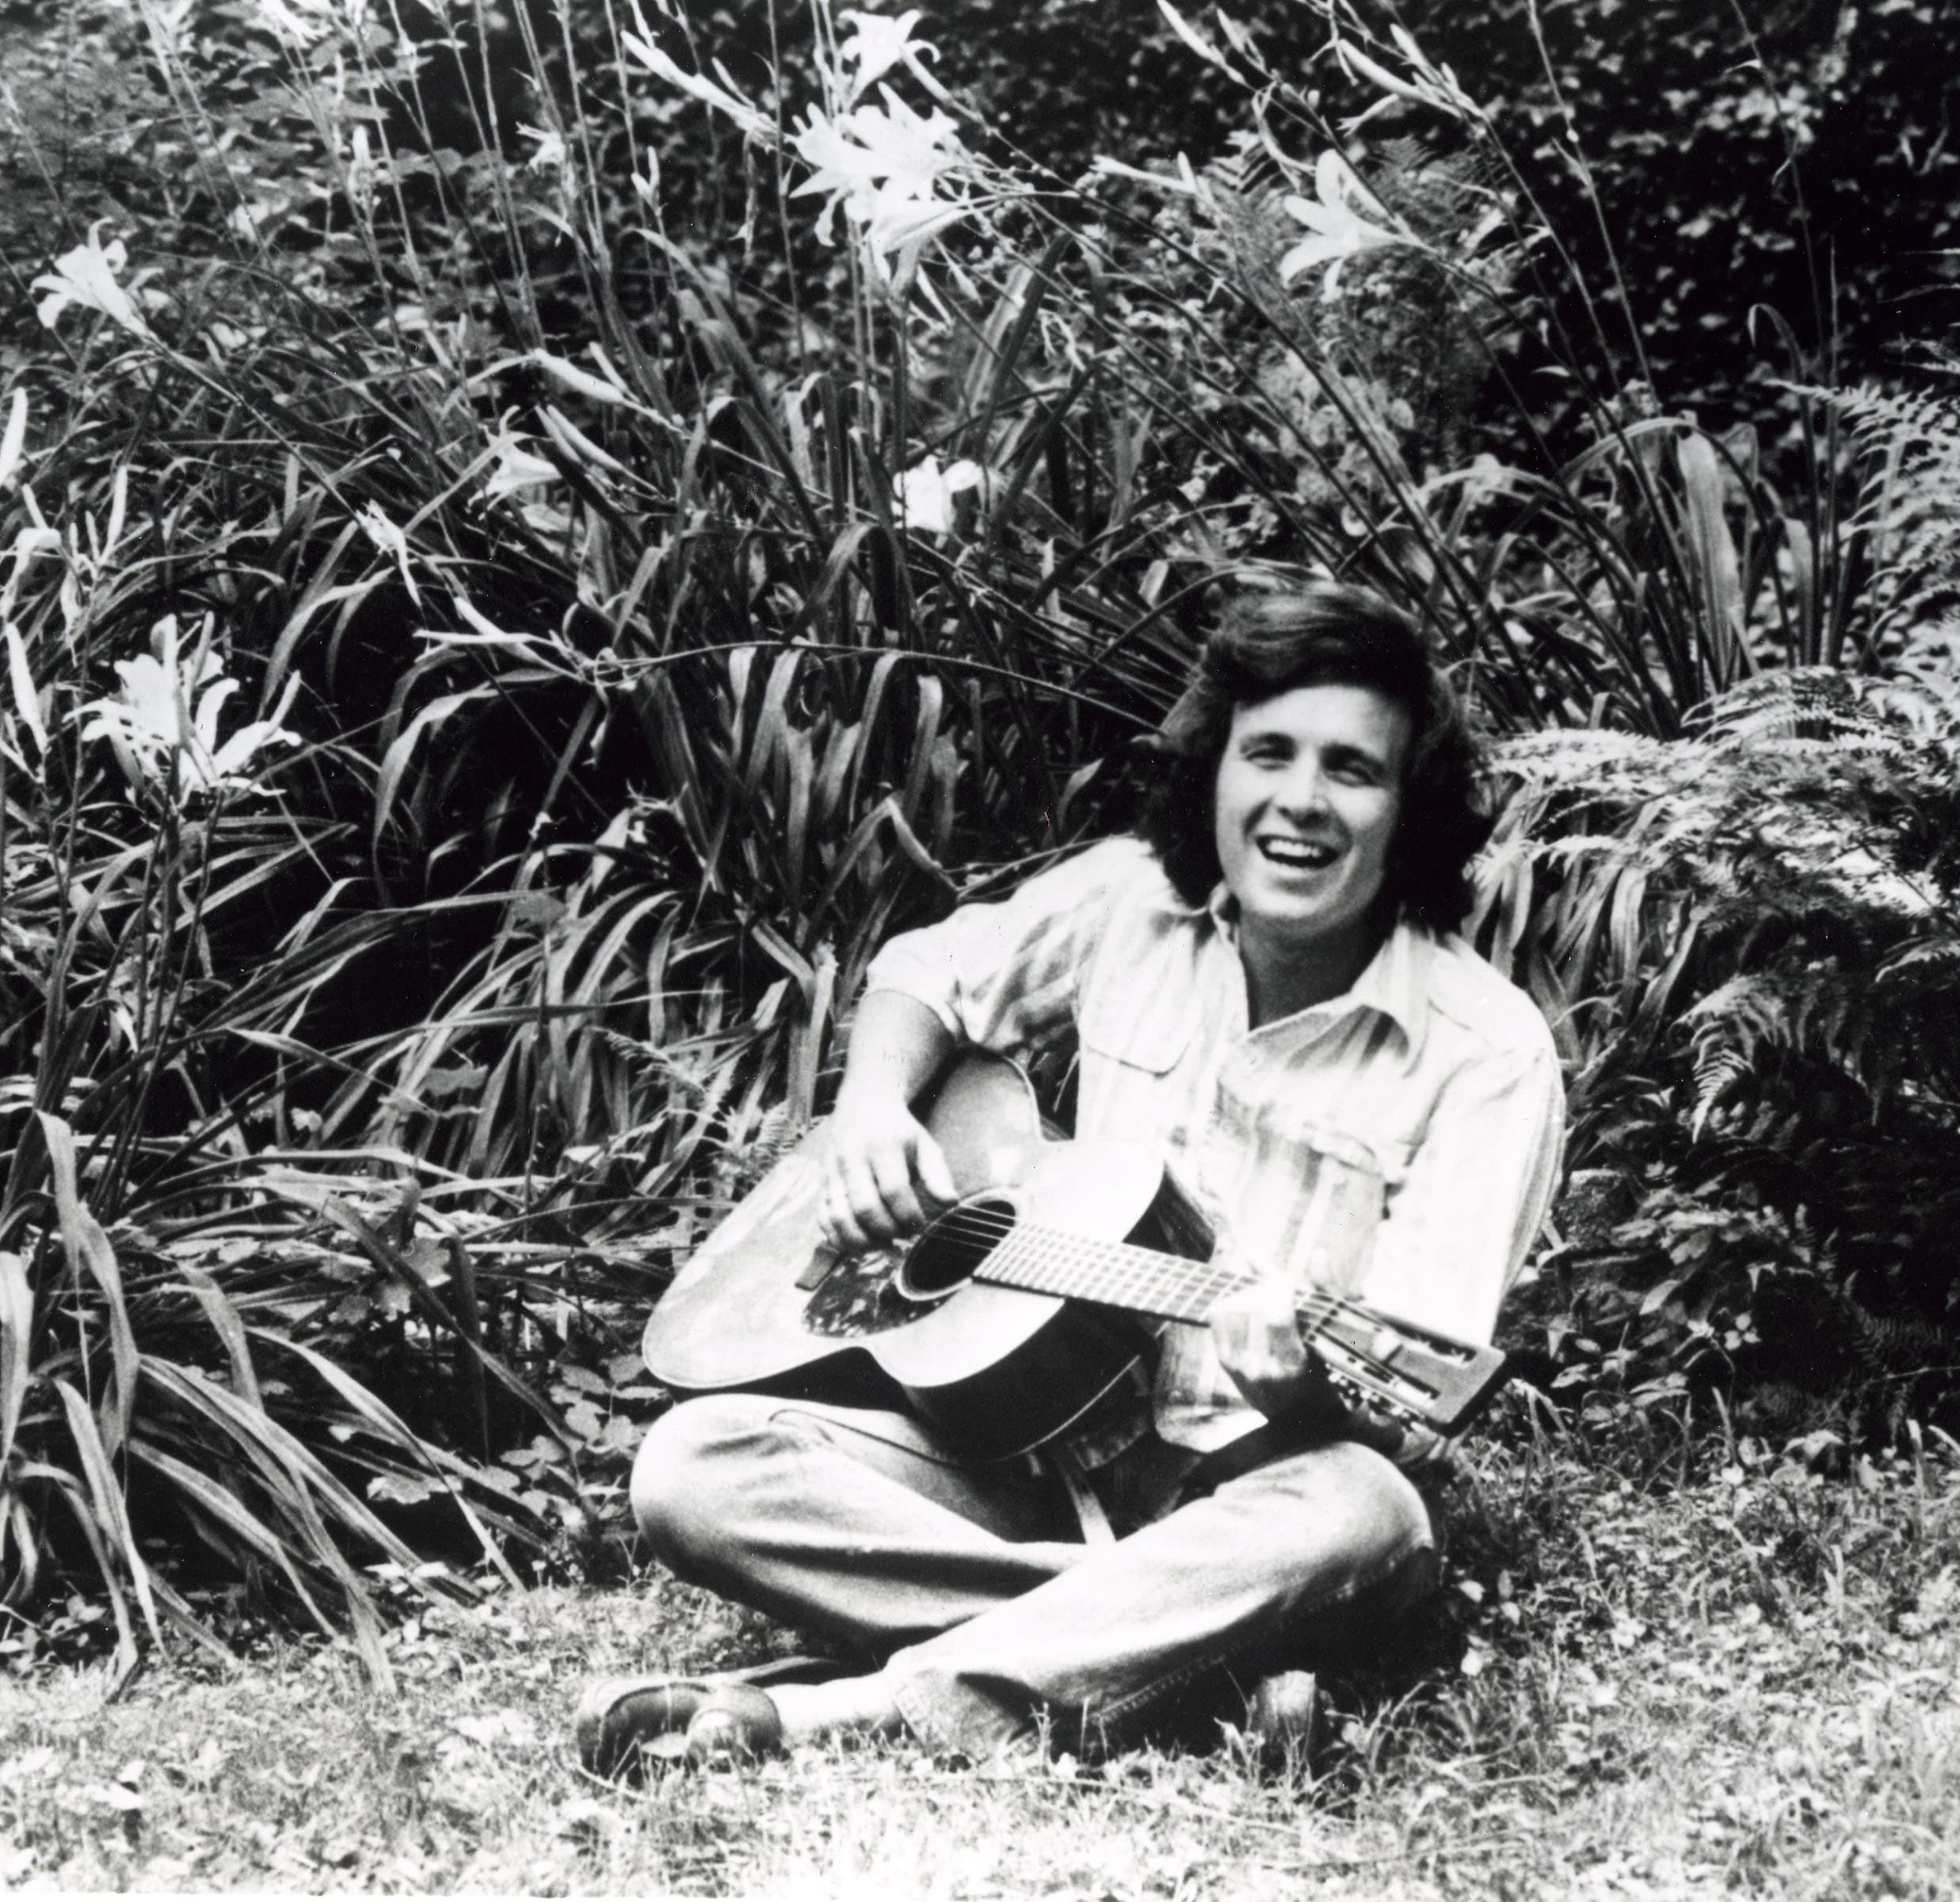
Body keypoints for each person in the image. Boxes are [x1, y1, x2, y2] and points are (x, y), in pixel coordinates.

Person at [575, 583, 1564, 1770]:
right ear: (1217, 772)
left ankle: (822, 1711)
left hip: (1255, 1499)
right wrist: (872, 1108)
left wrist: (1301, 1394)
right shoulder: (1125, 906)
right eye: (1269, 753)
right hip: (1023, 1461)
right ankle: (1170, 1662)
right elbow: (929, 975)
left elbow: (1404, 1426)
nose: (1301, 800)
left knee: (1369, 1516)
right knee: (693, 1465)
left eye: (1353, 768)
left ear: (1409, 812)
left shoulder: (1486, 1054)